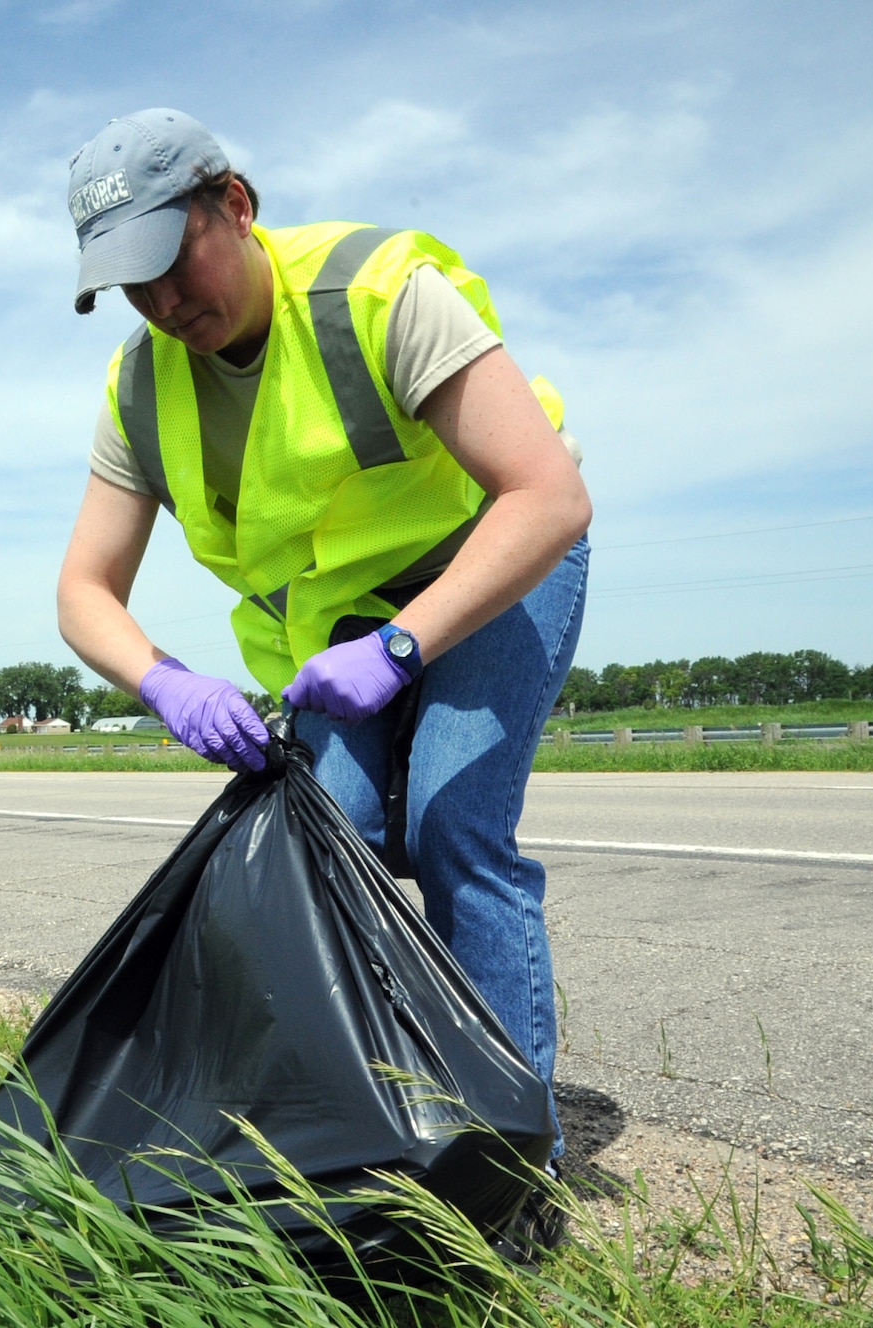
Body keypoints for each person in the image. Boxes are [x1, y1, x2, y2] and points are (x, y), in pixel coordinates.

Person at [55, 109, 592, 1163]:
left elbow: (546, 497)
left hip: (489, 563)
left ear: (236, 207)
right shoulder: (138, 387)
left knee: (451, 827)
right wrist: (164, 683)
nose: (162, 302)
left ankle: (517, 1165)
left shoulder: (375, 294)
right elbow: (82, 588)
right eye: (130, 284)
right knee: (319, 836)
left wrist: (402, 648)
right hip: (340, 623)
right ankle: (356, 1134)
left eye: (171, 259)